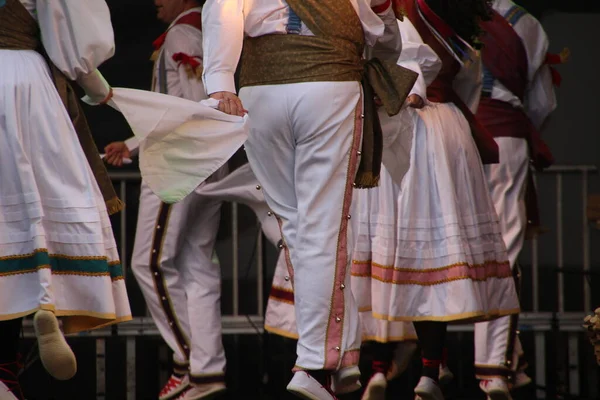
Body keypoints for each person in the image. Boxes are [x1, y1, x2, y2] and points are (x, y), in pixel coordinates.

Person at [201, 0, 417, 398]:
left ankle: (344, 351)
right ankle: (315, 365)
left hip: (259, 90)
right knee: (323, 228)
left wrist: (219, 83)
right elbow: (385, 39)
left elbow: (222, 8)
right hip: (327, 84)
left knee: (300, 230)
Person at [103, 1, 287, 399]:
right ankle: (208, 372)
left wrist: (140, 146)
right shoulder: (200, 34)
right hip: (207, 159)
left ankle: (188, 361)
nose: (154, 2)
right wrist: (133, 146)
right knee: (195, 263)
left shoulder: (182, 35)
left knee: (149, 262)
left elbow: (188, 110)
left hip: (180, 161)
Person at [351, 0, 521, 399]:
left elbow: (404, 66)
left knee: (392, 247)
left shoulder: (397, 12)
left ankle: (383, 365)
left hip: (403, 131)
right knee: (429, 252)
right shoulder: (455, 25)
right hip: (445, 128)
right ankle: (429, 368)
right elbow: (469, 86)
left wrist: (405, 96)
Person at [0, 0, 132, 398]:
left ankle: (5, 365)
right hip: (24, 82)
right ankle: (42, 305)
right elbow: (71, 44)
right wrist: (101, 91)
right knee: (36, 206)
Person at [473, 1, 563, 397]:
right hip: (505, 137)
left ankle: (432, 364)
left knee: (448, 246)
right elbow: (543, 104)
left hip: (452, 137)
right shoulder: (525, 23)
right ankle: (493, 366)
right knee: (503, 249)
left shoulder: (437, 10)